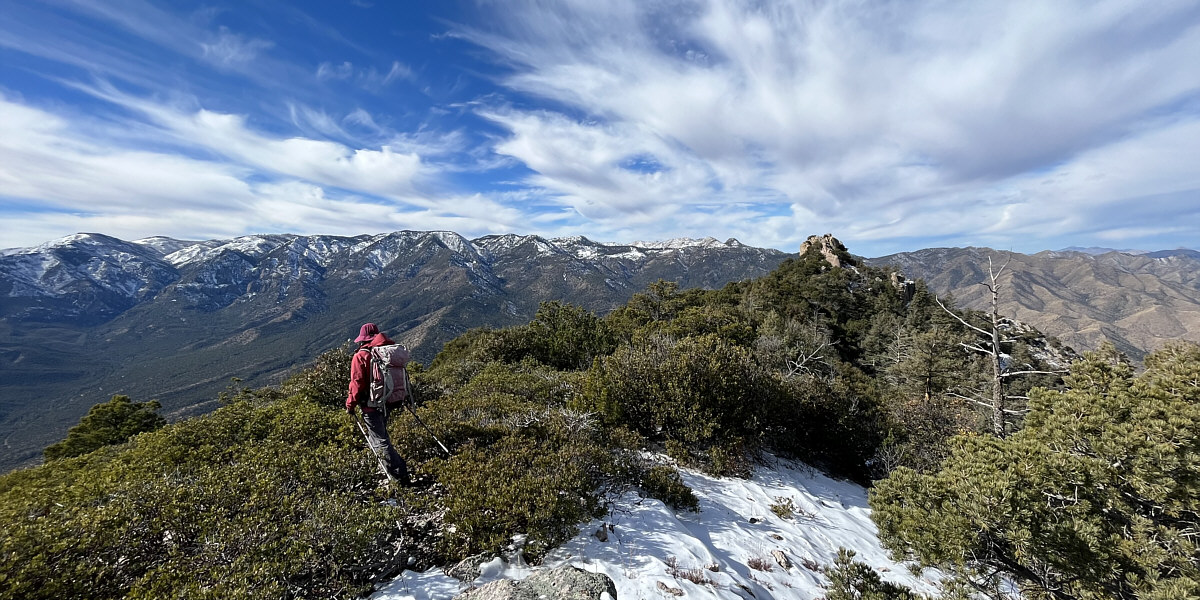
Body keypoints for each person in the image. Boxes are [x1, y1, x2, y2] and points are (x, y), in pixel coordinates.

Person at [346, 322, 411, 485]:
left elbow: (357, 383)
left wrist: (350, 404)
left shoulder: (361, 356)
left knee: (379, 440)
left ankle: (399, 475)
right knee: (382, 437)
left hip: (371, 405)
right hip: (388, 401)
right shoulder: (384, 352)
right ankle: (396, 469)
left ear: (362, 339)